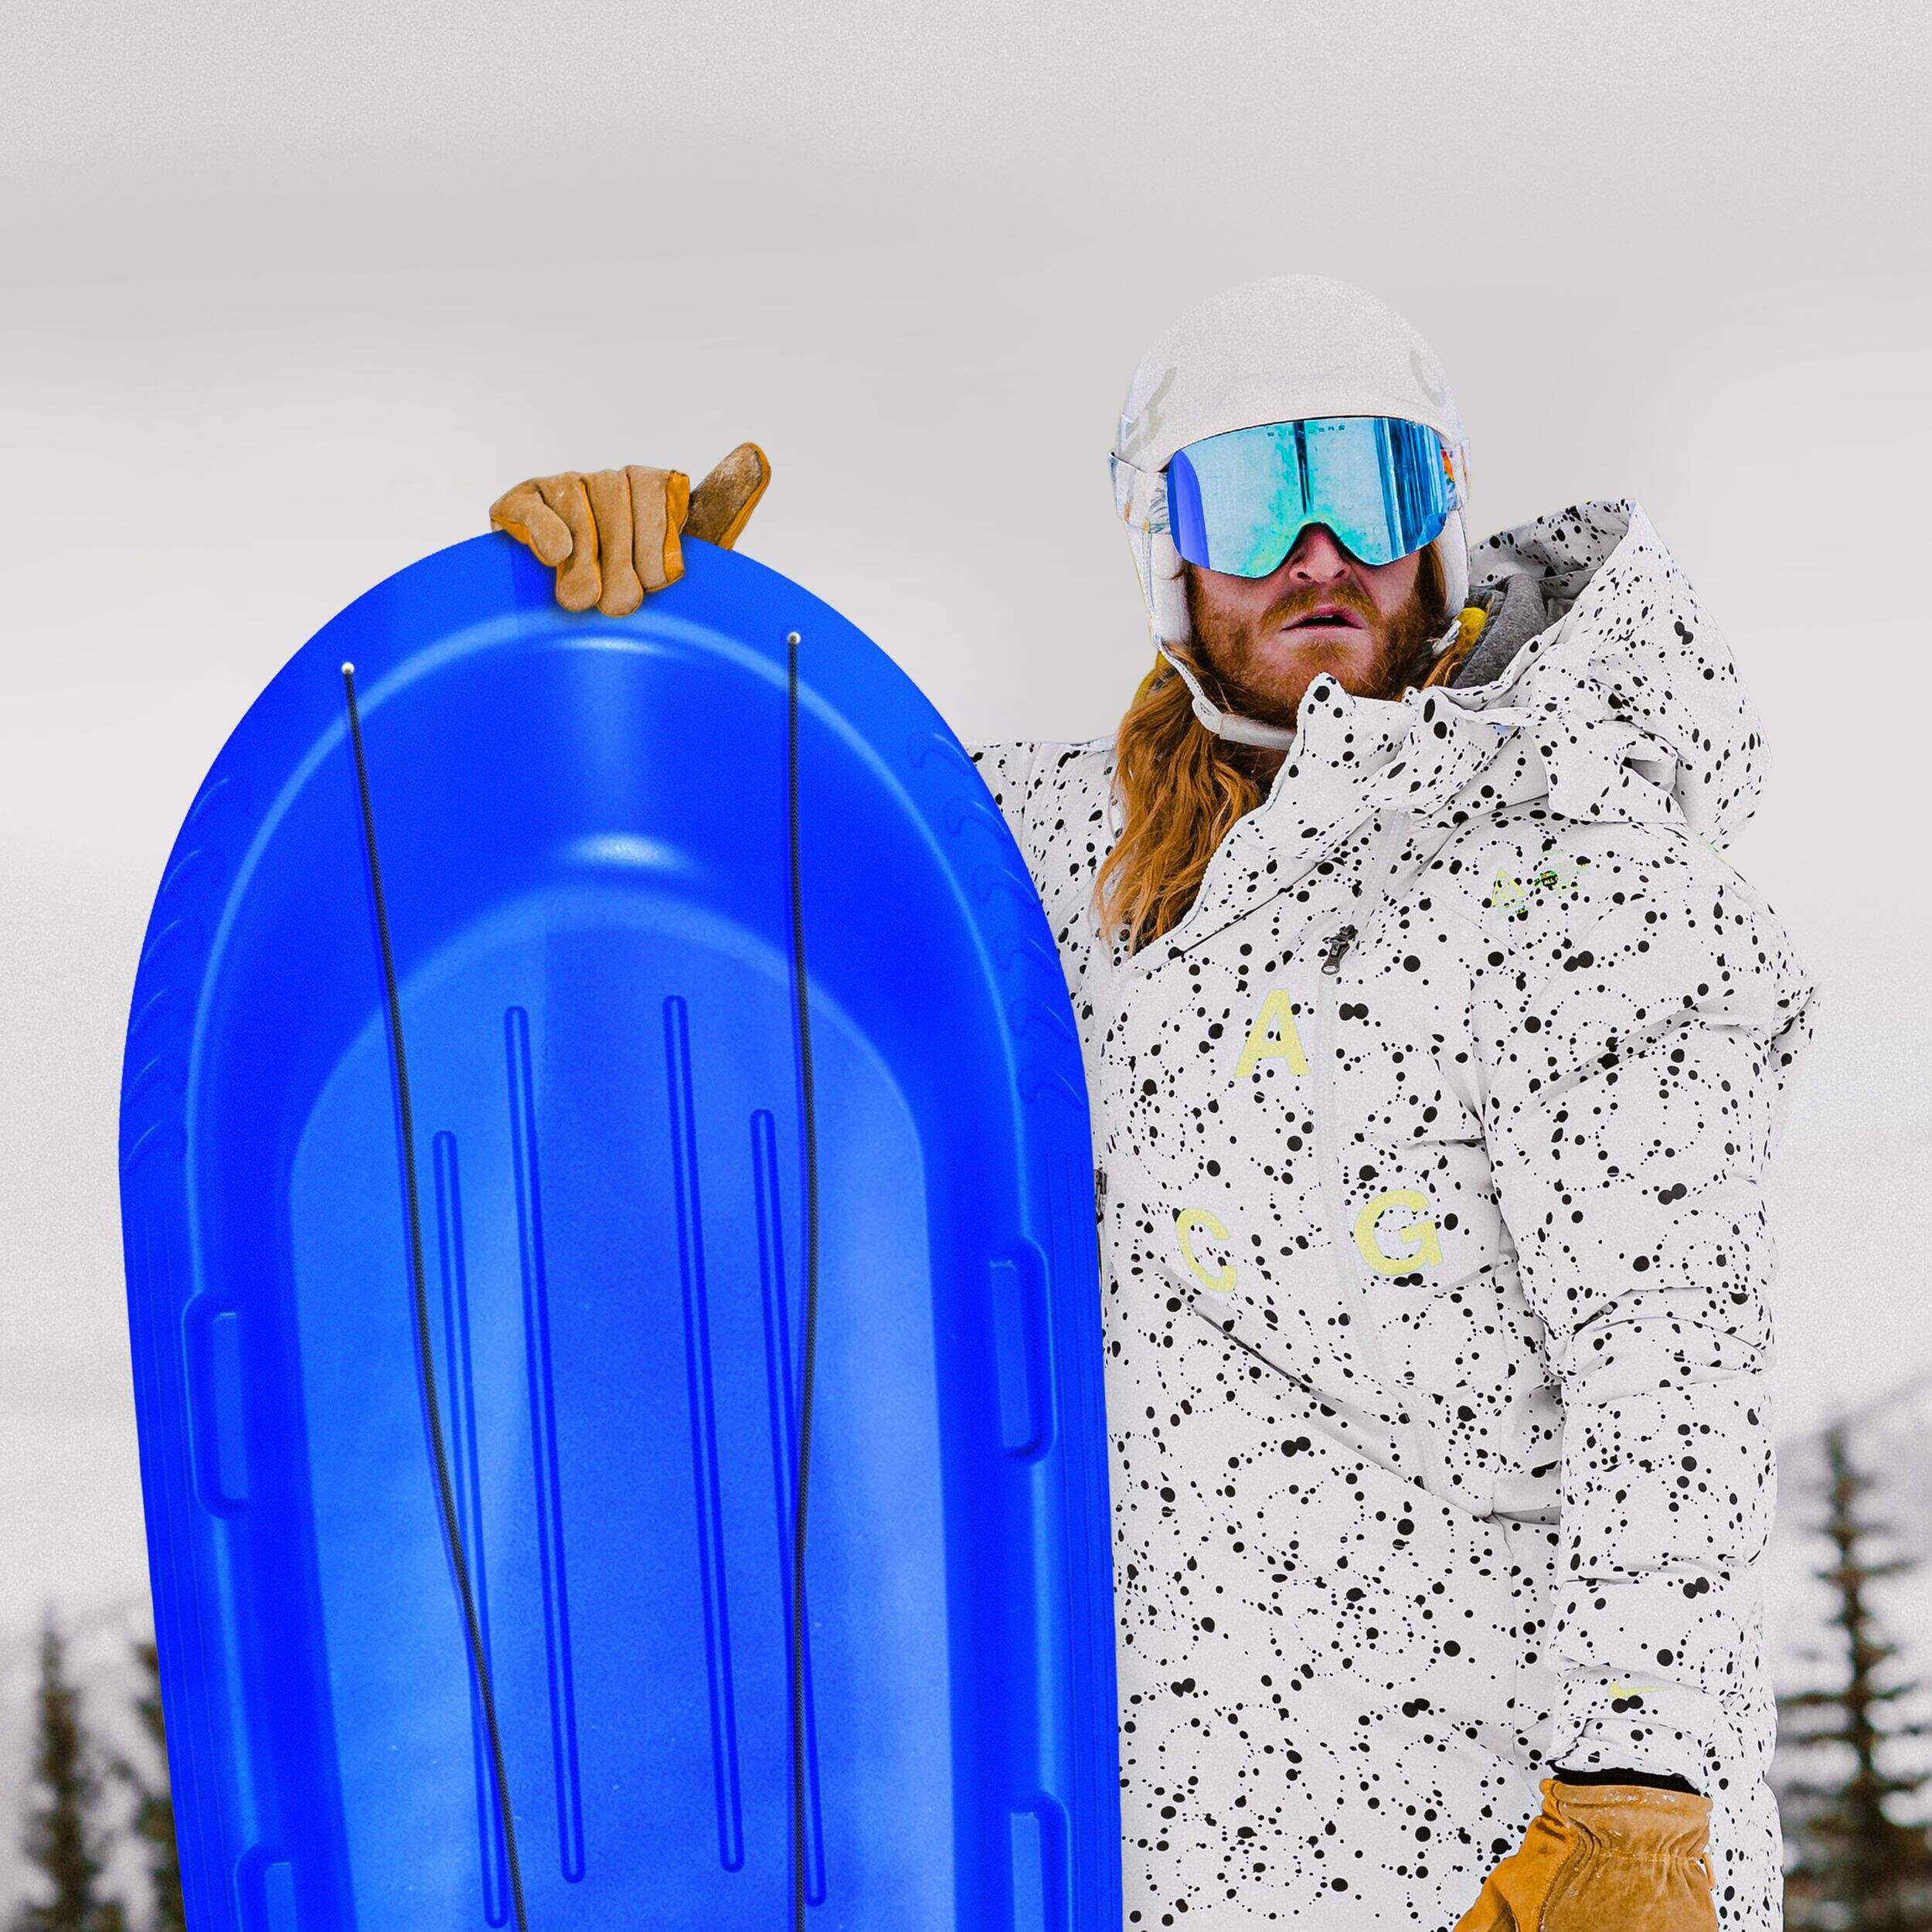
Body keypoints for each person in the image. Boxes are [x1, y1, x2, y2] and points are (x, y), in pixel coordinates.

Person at [488, 274, 1820, 1930]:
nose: (1318, 549)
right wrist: (632, 626)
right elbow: (746, 861)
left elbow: (1668, 1358)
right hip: (1169, 1877)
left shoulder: (1587, 876)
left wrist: (1639, 1795)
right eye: (1254, 496)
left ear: (1442, 524)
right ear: (1165, 553)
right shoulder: (1083, 872)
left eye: (1369, 483)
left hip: (1519, 1874)